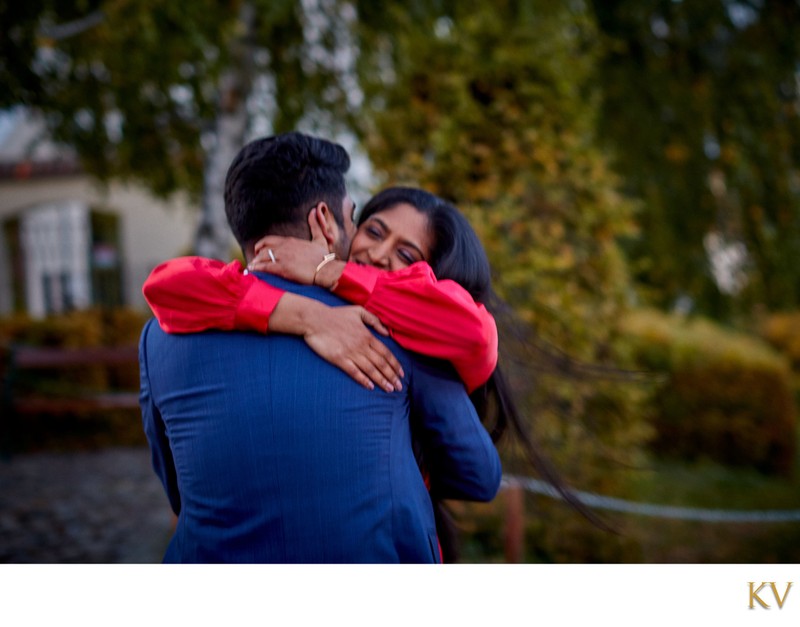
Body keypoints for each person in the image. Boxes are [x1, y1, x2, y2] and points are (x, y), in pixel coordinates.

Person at [144, 185, 607, 561]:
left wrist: (330, 272)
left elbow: (475, 335)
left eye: (407, 255)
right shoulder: (260, 294)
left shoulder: (413, 326)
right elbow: (167, 285)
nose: (379, 255)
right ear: (342, 225)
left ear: (433, 276)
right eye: (374, 231)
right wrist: (306, 314)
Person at [139, 133, 502, 563]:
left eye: (407, 254)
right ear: (327, 221)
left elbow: (179, 490)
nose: (376, 255)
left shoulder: (162, 335)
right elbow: (479, 476)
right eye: (363, 224)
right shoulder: (395, 328)